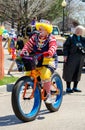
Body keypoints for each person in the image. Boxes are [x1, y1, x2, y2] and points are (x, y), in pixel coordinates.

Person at [20, 19, 58, 103]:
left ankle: (48, 95)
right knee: (28, 73)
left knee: (45, 74)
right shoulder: (34, 37)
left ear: (47, 30)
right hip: (37, 58)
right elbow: (28, 45)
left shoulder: (51, 38)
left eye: (42, 28)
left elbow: (53, 46)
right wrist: (24, 51)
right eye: (39, 28)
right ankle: (29, 86)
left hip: (48, 59)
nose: (39, 30)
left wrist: (50, 52)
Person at [62, 25, 85, 93]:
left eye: (80, 31)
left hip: (80, 58)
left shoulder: (83, 39)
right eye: (77, 30)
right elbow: (65, 47)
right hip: (71, 57)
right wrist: (65, 55)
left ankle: (75, 87)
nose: (78, 31)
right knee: (69, 72)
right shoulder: (71, 38)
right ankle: (68, 88)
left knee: (78, 72)